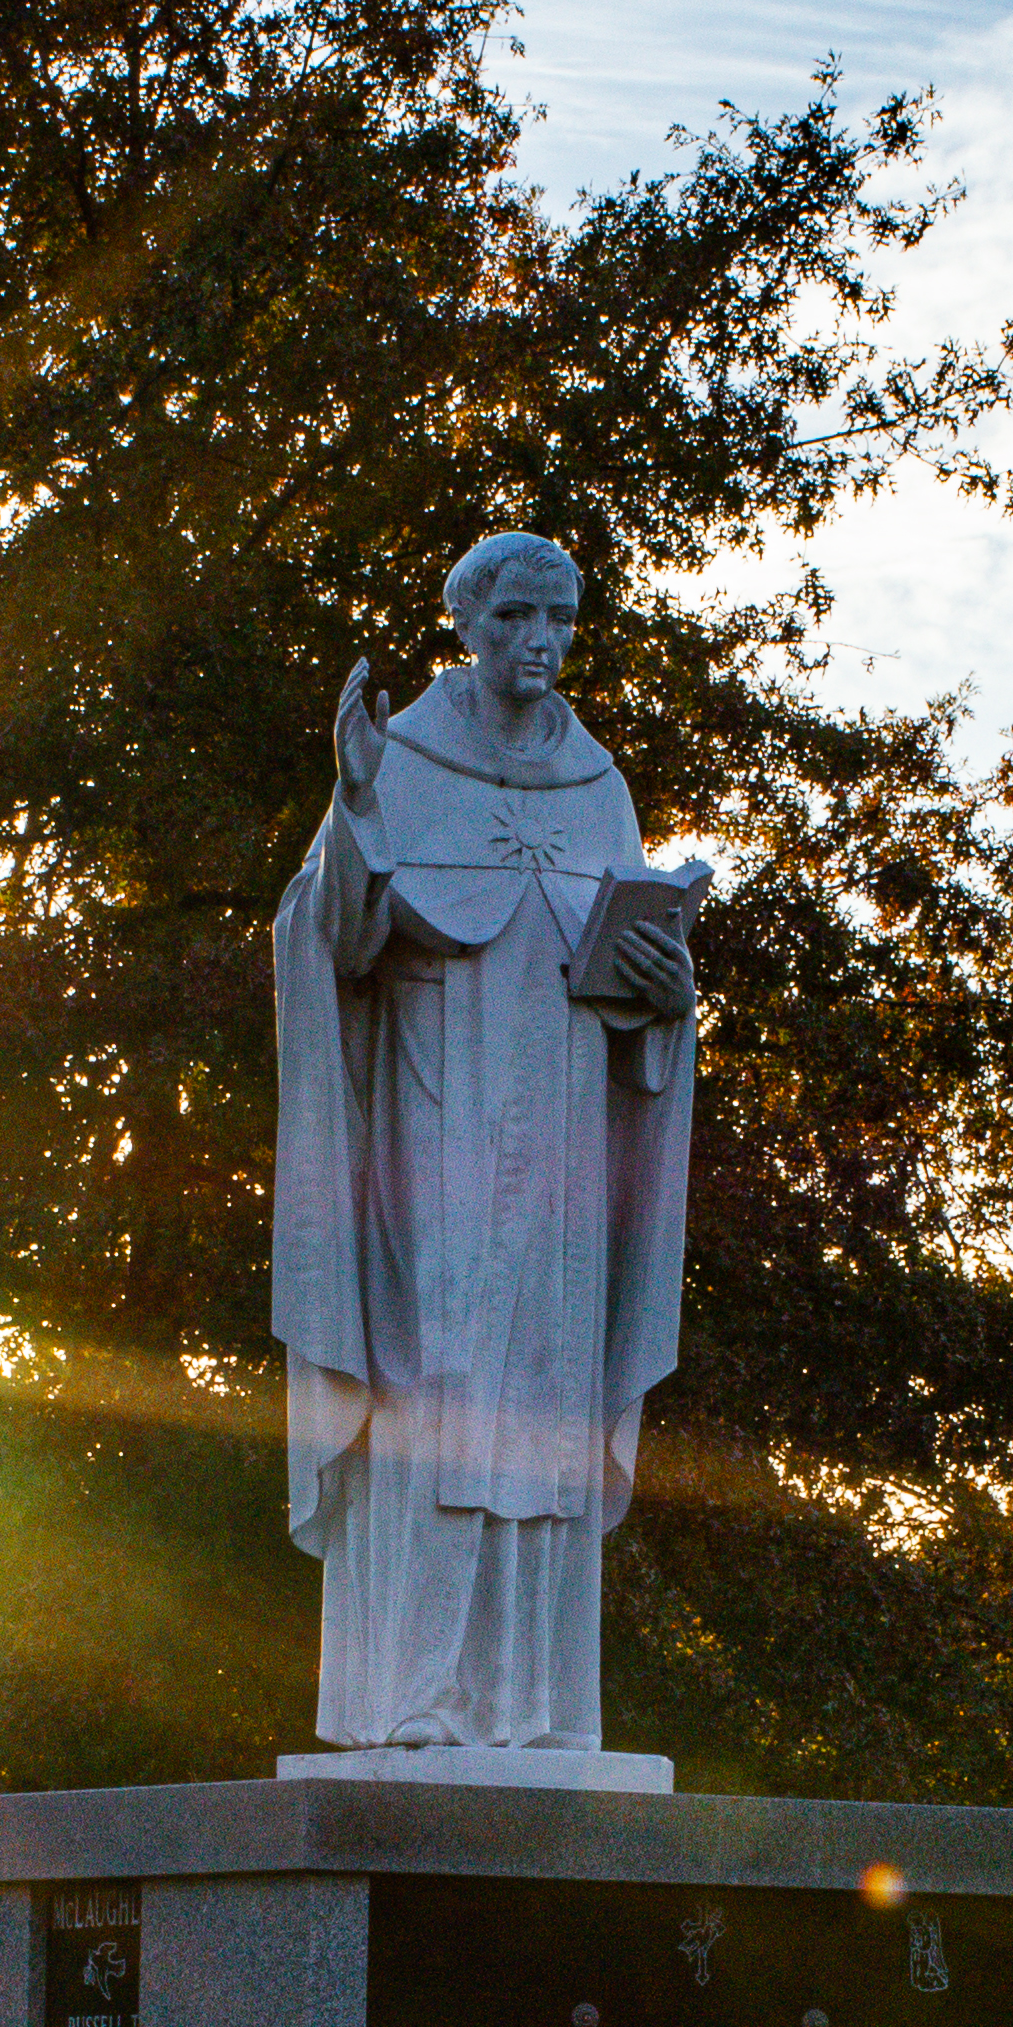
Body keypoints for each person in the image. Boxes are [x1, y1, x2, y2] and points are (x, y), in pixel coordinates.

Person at [270, 531, 698, 1753]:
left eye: (560, 620)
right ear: (468, 620)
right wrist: (353, 806)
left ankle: (539, 1710)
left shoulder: (600, 788)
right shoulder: (399, 757)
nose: (541, 643)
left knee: (547, 1406)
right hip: (431, 1134)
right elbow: (329, 947)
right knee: (437, 1390)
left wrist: (666, 990)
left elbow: (641, 1003)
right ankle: (416, 1698)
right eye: (516, 617)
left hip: (561, 1149)